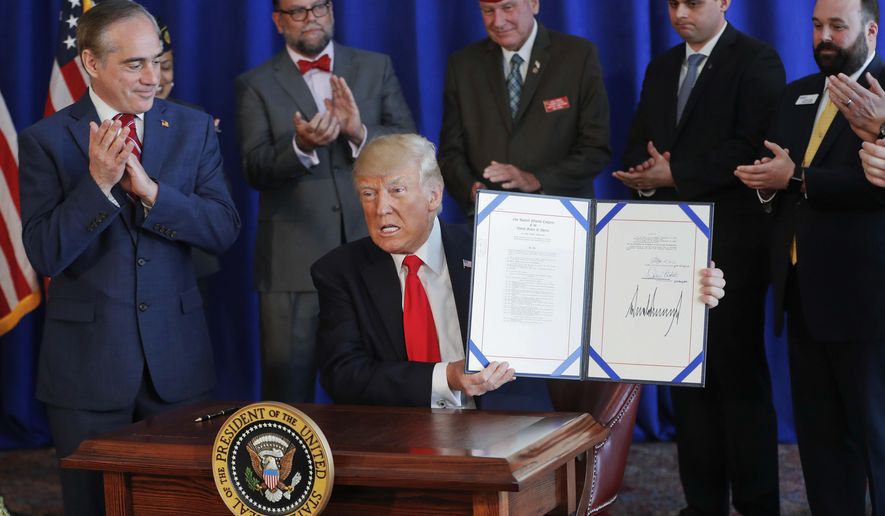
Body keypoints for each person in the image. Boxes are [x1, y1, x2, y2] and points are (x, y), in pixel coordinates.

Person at [312, 133, 727, 408]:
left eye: (397, 191)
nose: (380, 207)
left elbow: (599, 297)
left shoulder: (498, 245)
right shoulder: (340, 272)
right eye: (368, 193)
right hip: (398, 440)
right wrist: (448, 377)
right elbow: (343, 376)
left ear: (434, 195)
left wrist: (686, 290)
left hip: (505, 427)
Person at [18, 1, 240, 514]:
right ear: (92, 64)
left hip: (178, 366)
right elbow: (47, 253)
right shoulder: (45, 141)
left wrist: (155, 194)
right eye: (135, 64)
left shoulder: (193, 127)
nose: (152, 77)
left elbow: (223, 229)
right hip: (87, 370)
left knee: (181, 504)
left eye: (157, 61)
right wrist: (97, 186)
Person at [611, 1, 785, 514]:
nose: (680, 12)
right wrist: (644, 175)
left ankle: (757, 504)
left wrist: (675, 173)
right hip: (668, 252)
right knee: (688, 385)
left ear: (725, 1)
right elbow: (638, 145)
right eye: (672, 3)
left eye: (693, 2)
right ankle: (702, 503)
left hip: (734, 251)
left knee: (740, 381)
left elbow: (754, 149)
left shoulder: (757, 60)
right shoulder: (661, 66)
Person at [734, 0, 885, 513]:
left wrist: (796, 178)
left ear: (870, 30)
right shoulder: (797, 93)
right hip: (801, 294)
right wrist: (765, 185)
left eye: (837, 27)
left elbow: (876, 187)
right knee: (820, 443)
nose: (824, 36)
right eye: (818, 25)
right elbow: (777, 174)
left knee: (877, 439)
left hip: (866, 299)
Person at [236, 0, 415, 405]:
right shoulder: (255, 83)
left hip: (372, 253)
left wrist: (359, 132)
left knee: (379, 388)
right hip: (291, 265)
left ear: (331, 11)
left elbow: (409, 144)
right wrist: (300, 145)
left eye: (319, 6)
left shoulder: (375, 66)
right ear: (278, 22)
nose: (311, 17)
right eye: (297, 11)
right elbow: (253, 168)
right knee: (288, 392)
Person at [438, 0, 611, 215]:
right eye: (488, 11)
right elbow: (450, 151)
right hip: (489, 218)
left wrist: (536, 180)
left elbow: (596, 147)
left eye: (508, 8)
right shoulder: (463, 65)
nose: (498, 21)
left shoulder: (577, 56)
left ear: (534, 4)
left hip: (563, 213)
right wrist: (472, 189)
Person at [153, 19, 223, 317]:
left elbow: (218, 211)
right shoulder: (104, 121)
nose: (157, 78)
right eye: (145, 64)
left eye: (165, 66)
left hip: (189, 268)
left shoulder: (196, 120)